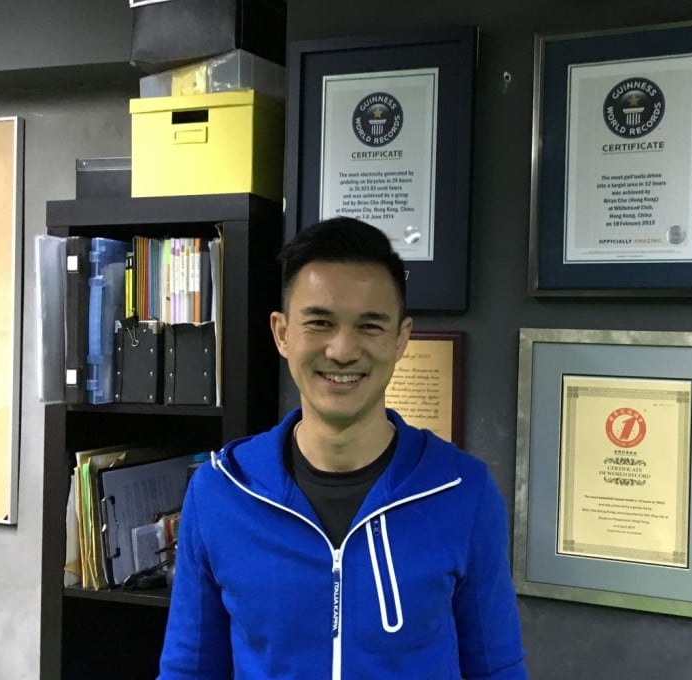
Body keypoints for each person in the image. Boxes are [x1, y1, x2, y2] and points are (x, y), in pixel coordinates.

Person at [158, 217, 527, 679]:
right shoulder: (220, 492)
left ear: (401, 339)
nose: (342, 350)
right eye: (320, 322)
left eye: (370, 326)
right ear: (282, 333)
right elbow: (188, 671)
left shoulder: (462, 491)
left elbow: (497, 669)